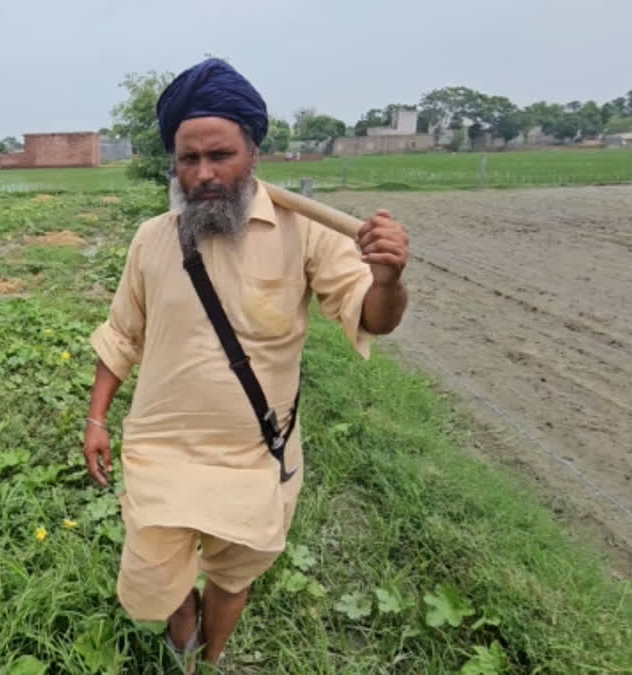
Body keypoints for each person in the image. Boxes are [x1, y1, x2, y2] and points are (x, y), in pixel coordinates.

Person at [82, 58, 409, 672]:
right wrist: (97, 419)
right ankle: (183, 636)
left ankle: (208, 661)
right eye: (188, 159)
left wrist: (388, 278)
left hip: (257, 454)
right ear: (173, 163)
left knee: (232, 578)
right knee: (160, 578)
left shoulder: (306, 233)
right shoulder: (153, 239)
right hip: (161, 452)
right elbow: (123, 334)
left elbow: (373, 314)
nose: (204, 174)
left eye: (220, 155)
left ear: (254, 150)